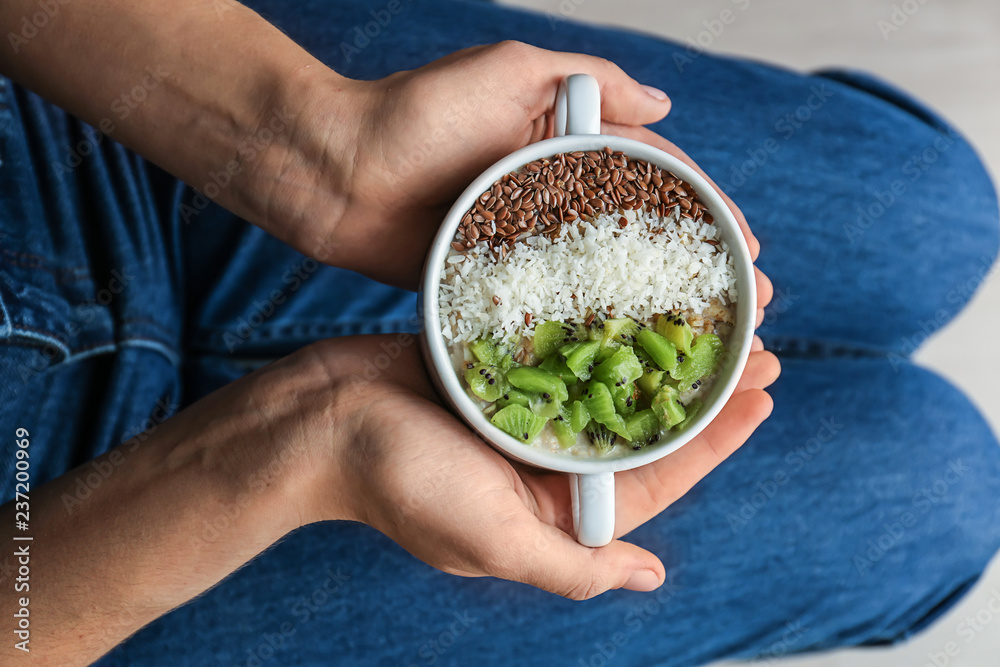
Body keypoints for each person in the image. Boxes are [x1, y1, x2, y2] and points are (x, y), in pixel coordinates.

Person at [0, 1, 996, 665]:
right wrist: (292, 450)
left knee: (940, 218)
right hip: (92, 550)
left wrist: (309, 144)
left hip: (75, 125)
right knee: (940, 489)